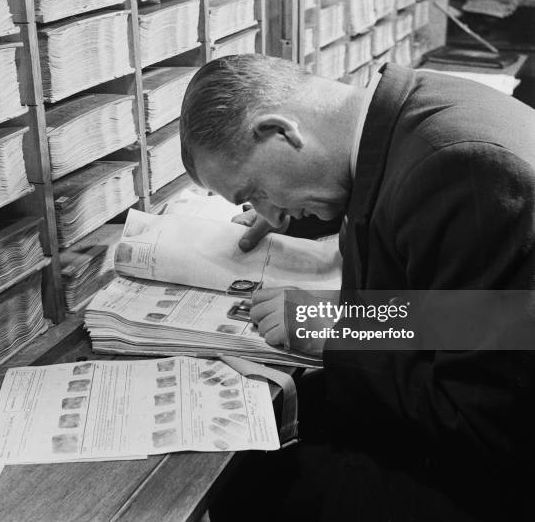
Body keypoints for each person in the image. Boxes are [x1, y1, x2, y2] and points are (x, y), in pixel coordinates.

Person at [179, 54, 535, 521]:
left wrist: (344, 331)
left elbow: (481, 419)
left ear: (279, 132)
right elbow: (466, 317)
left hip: (504, 474)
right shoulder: (404, 115)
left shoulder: (460, 167)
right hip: (483, 396)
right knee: (284, 420)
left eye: (255, 192)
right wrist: (310, 218)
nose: (270, 214)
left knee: (254, 480)